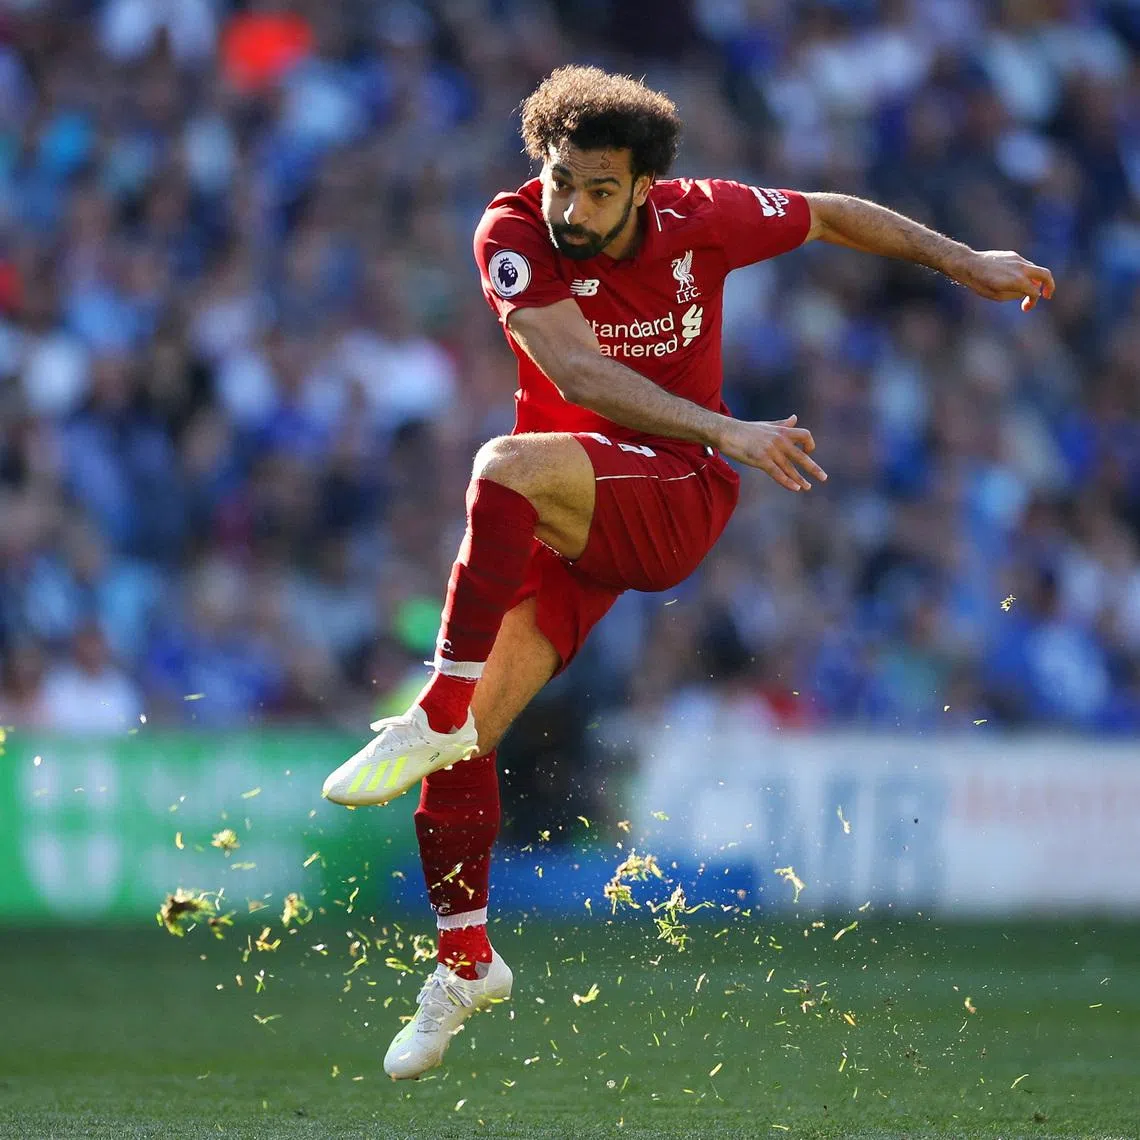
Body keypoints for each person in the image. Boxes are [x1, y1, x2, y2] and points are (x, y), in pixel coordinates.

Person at [321, 64, 1054, 1080]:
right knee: (466, 747)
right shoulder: (513, 234)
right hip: (573, 507)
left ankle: (433, 704)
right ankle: (464, 962)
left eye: (598, 189)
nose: (570, 206)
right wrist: (728, 421)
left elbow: (833, 214)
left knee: (500, 468)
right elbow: (575, 372)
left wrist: (965, 260)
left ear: (646, 186)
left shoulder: (702, 219)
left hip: (674, 492)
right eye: (559, 177)